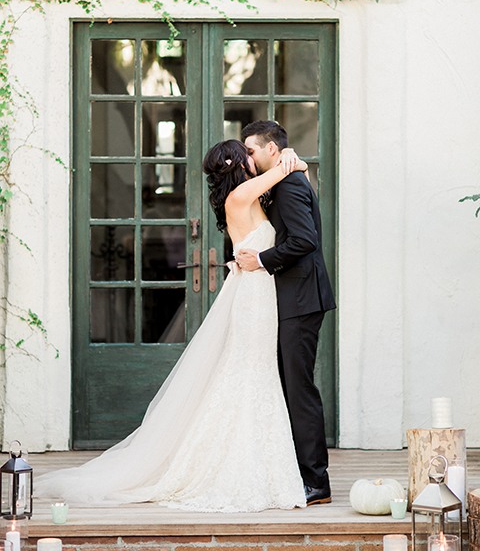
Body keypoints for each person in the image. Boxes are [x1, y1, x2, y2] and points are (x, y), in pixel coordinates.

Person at [34, 139, 308, 512]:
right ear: (239, 164)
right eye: (246, 153)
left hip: (258, 291)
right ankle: (231, 463)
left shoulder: (247, 197)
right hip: (253, 296)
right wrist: (292, 158)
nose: (252, 156)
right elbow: (287, 169)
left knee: (254, 372)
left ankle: (254, 459)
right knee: (249, 371)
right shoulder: (242, 195)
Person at [237, 120, 336, 506]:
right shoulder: (281, 179)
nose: (248, 156)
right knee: (289, 388)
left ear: (273, 150)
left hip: (302, 300)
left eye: (251, 149)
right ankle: (298, 472)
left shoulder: (291, 183)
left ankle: (317, 483)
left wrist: (261, 259)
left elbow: (304, 240)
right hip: (291, 299)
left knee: (299, 390)